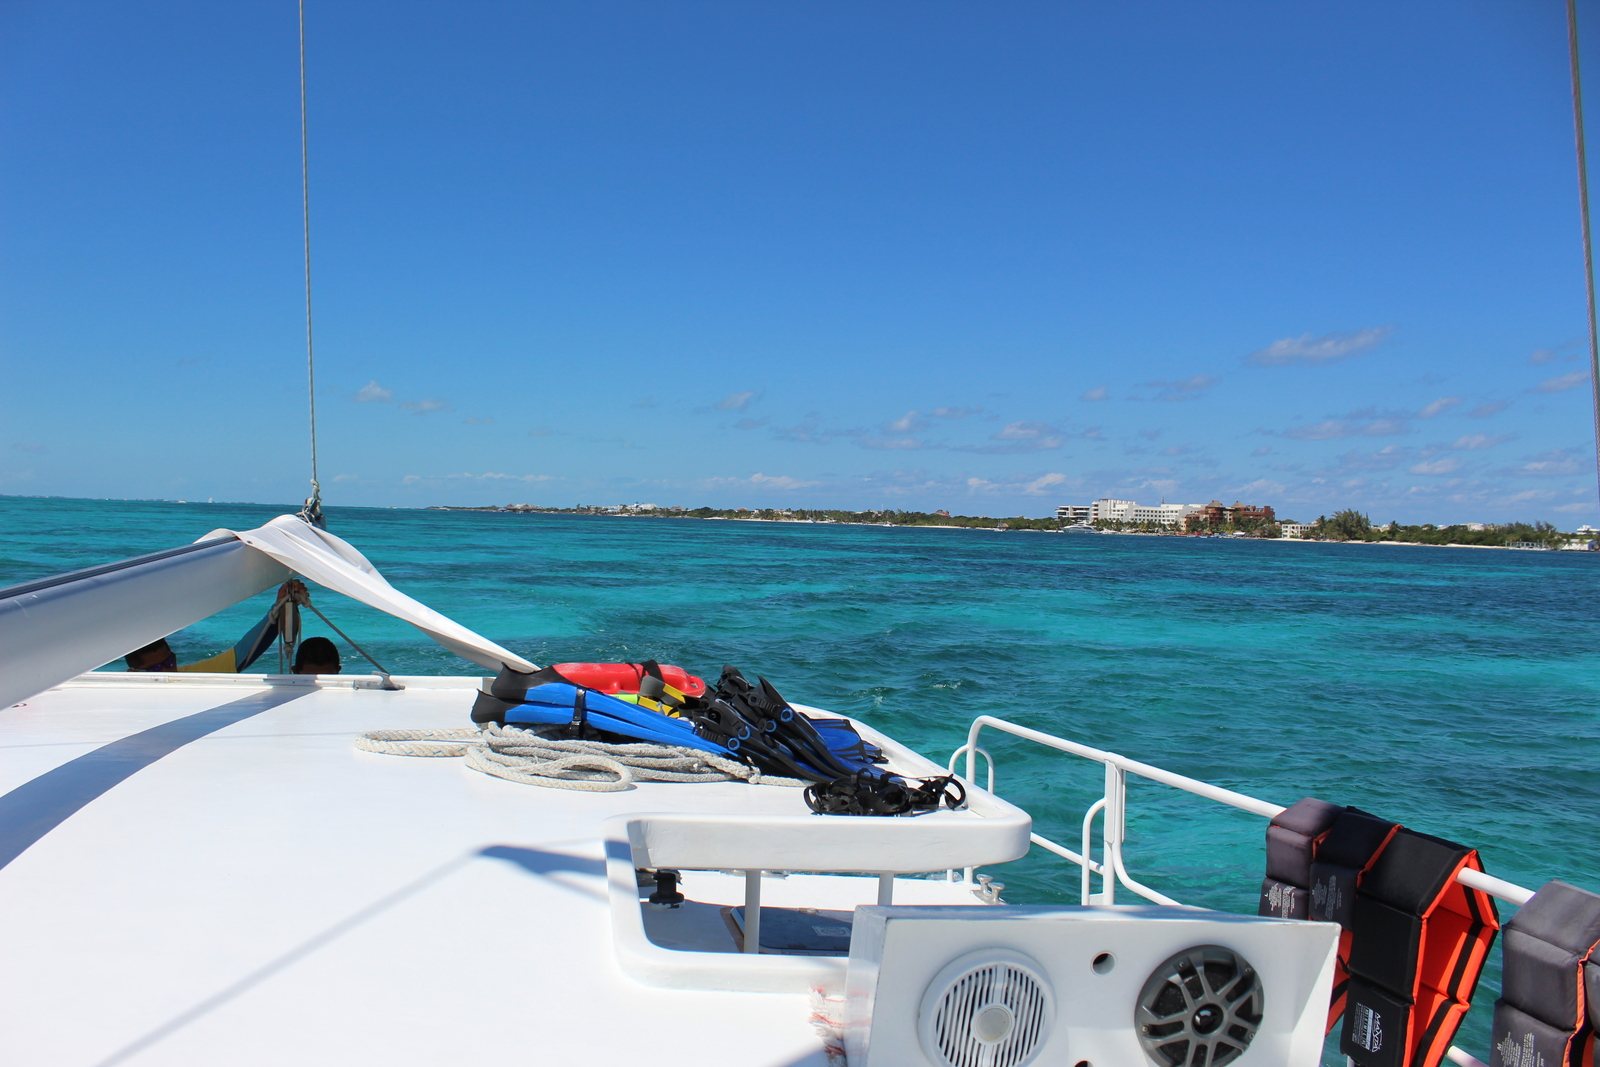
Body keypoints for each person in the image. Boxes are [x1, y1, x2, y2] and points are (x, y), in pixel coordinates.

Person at [124, 580, 306, 673]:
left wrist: (279, 606)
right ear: (132, 673)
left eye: (169, 662)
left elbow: (244, 652)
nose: (167, 670)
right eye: (156, 668)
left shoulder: (189, 677)